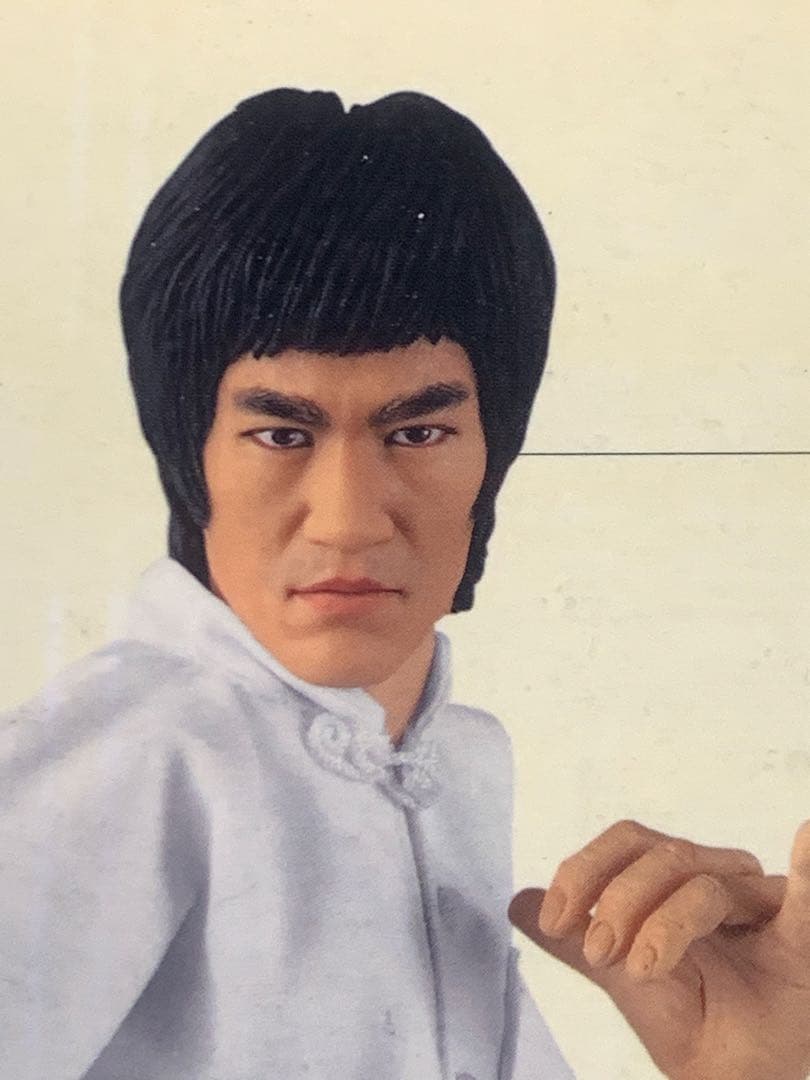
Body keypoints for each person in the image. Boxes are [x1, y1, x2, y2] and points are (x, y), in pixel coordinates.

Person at [1, 89, 808, 1080]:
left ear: (492, 453)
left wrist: (749, 1069)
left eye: (418, 432)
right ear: (188, 452)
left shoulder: (457, 762)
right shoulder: (132, 754)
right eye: (281, 434)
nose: (348, 520)